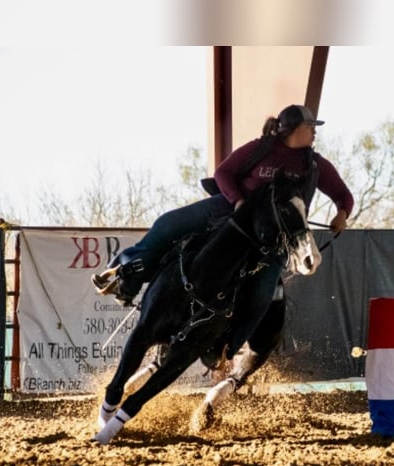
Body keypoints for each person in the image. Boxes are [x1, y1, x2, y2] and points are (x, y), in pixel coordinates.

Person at [92, 103, 354, 357]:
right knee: (169, 224)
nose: (314, 132)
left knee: (263, 291)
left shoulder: (315, 163)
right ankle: (125, 274)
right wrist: (238, 201)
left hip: (273, 236)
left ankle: (229, 345)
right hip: (230, 212)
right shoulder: (260, 148)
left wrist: (342, 214)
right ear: (294, 130)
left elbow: (343, 195)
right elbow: (223, 173)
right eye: (310, 126)